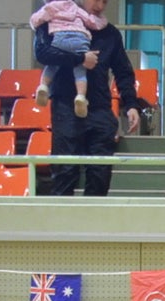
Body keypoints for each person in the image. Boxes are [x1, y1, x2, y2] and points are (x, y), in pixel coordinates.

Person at [32, 0, 146, 197]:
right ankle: (62, 216)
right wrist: (80, 59)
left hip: (100, 108)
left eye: (105, 1)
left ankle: (95, 216)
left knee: (100, 174)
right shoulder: (54, 19)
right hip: (66, 107)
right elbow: (42, 54)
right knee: (65, 171)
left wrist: (131, 105)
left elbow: (123, 71)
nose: (100, 6)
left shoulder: (109, 33)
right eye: (96, 0)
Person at [30, 0, 103, 115]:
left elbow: (36, 19)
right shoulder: (75, 8)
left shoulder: (51, 7)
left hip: (60, 38)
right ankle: (81, 96)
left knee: (53, 63)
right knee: (80, 69)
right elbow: (91, 21)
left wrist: (34, 25)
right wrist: (102, 21)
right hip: (80, 39)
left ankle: (43, 86)